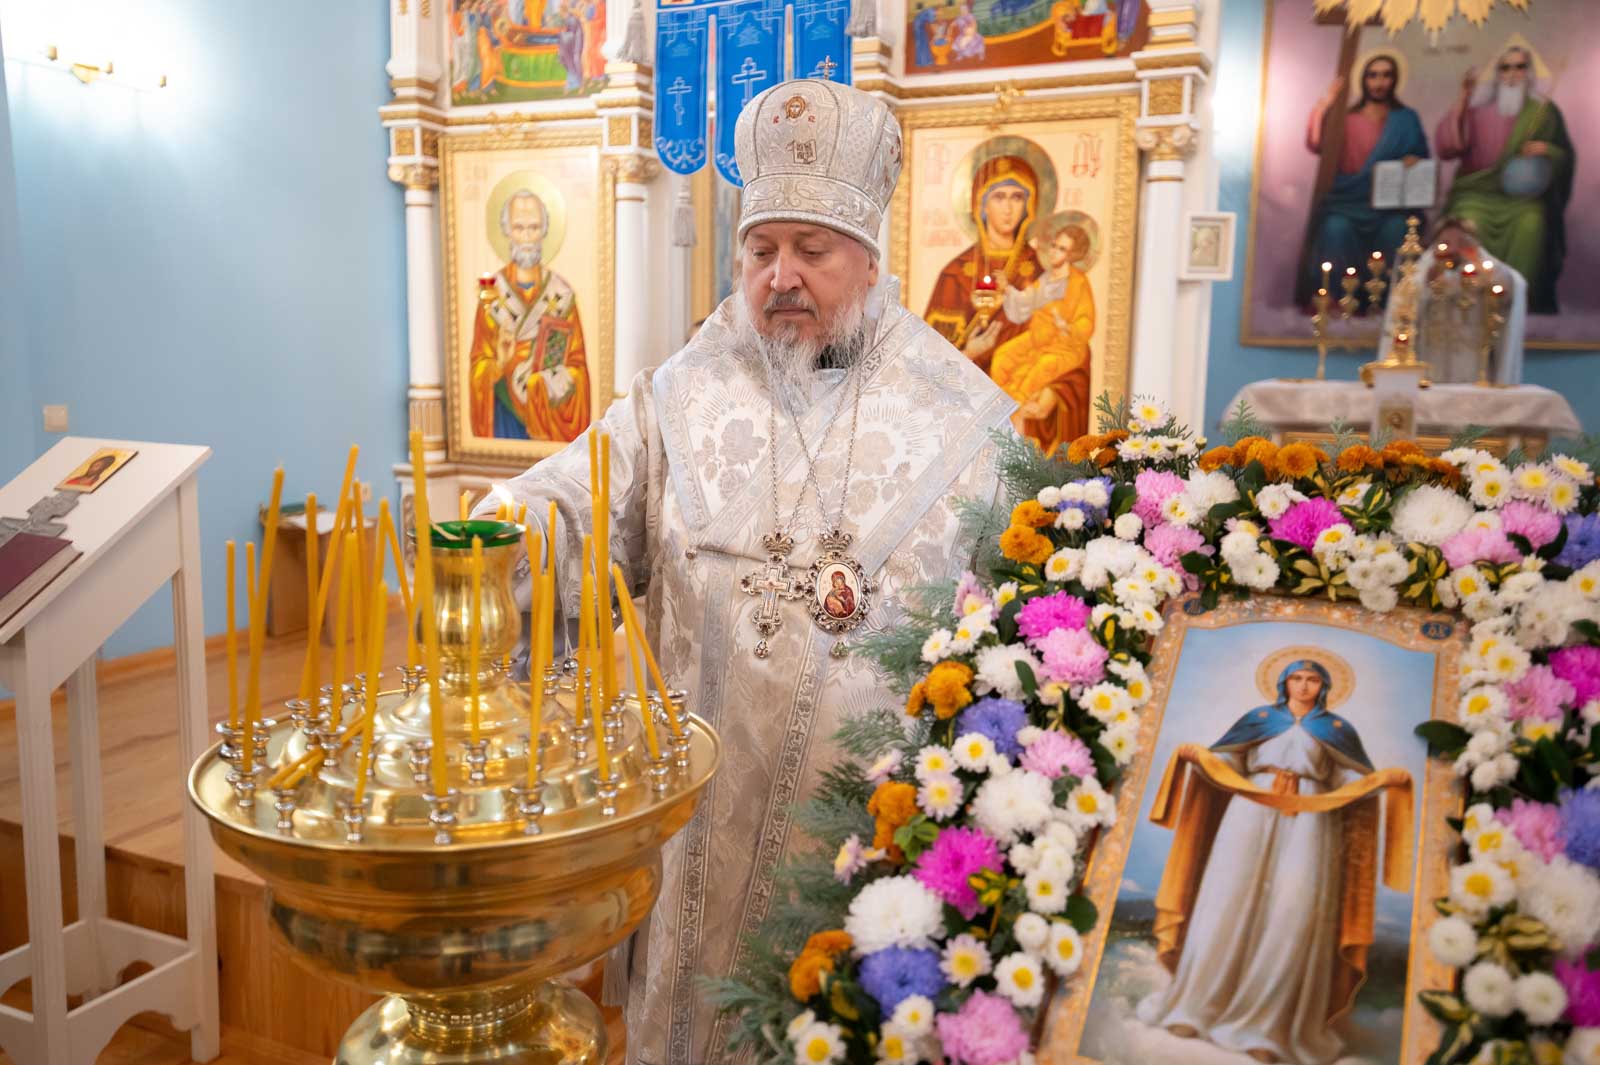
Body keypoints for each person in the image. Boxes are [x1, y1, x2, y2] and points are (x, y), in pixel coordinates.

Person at [479, 79, 1012, 1065]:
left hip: (868, 835)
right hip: (698, 823)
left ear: (869, 257)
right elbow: (580, 495)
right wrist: (506, 526)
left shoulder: (967, 424)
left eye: (811, 250)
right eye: (760, 250)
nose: (781, 277)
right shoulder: (682, 390)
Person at [1137, 659, 1414, 1065]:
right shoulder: (1260, 719)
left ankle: (1269, 1028)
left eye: (1312, 679)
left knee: (1292, 912)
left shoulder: (1338, 730)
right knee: (1225, 901)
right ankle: (1194, 1010)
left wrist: (1382, 780)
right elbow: (1228, 765)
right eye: (1296, 678)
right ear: (1283, 683)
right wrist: (1201, 757)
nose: (1303, 686)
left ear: (1324, 686)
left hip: (1312, 818)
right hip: (1249, 810)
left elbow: (1350, 783)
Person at [1436, 44, 1575, 315]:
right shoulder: (1477, 112)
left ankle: (1519, 302)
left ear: (1529, 73)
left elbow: (1565, 156)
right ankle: (1468, 302)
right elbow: (1448, 147)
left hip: (1521, 200)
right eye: (1505, 68)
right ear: (1498, 74)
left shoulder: (1543, 113)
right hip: (1476, 194)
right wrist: (1463, 99)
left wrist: (1547, 150)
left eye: (1519, 67)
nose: (1512, 74)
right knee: (1468, 219)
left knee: (1532, 222)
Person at [1296, 53, 1430, 308]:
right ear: (1363, 80)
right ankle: (1336, 303)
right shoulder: (1346, 118)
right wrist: (1324, 107)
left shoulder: (1406, 118)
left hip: (1389, 206)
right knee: (1335, 228)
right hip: (1347, 201)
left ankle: (1392, 306)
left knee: (1397, 230)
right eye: (1373, 75)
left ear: (1395, 79)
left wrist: (1414, 160)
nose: (1379, 82)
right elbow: (1317, 145)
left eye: (1386, 75)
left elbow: (1422, 157)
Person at [467, 189, 591, 443]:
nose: (526, 236)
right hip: (504, 419)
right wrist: (500, 364)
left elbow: (578, 366)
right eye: (519, 227)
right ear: (507, 231)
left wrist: (543, 384)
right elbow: (478, 365)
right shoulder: (491, 296)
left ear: (544, 231)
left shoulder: (562, 295)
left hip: (550, 417)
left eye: (533, 228)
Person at [922, 152, 1045, 371]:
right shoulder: (955, 274)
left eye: (1017, 197)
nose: (1008, 208)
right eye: (999, 197)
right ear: (982, 205)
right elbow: (931, 360)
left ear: (1029, 205)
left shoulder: (1039, 269)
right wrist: (969, 353)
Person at [1377, 216, 1526, 384]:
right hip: (1431, 366)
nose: (1453, 248)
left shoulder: (1489, 272)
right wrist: (1428, 283)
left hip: (1472, 368)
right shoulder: (1422, 275)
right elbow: (1403, 311)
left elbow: (1510, 286)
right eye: (1446, 242)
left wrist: (1475, 261)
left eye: (1461, 242)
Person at [989, 223, 1094, 452]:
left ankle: (1015, 425)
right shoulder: (1047, 278)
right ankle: (1003, 415)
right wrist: (1007, 289)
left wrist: (1067, 326)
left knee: (1040, 369)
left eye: (1062, 249)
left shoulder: (1078, 282)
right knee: (1002, 356)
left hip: (1065, 346)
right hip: (1036, 340)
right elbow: (1026, 301)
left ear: (1072, 255)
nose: (1054, 252)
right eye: (1054, 246)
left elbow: (1086, 321)